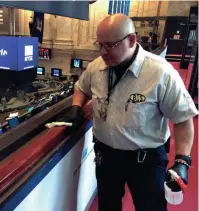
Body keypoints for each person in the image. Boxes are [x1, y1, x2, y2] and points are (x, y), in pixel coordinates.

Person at [57, 14, 198, 211]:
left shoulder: (161, 73)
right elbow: (81, 87)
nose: (103, 52)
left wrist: (183, 161)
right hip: (106, 157)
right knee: (108, 206)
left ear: (131, 40)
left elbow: (183, 119)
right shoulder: (96, 67)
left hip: (146, 161)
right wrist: (76, 107)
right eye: (100, 45)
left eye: (110, 45)